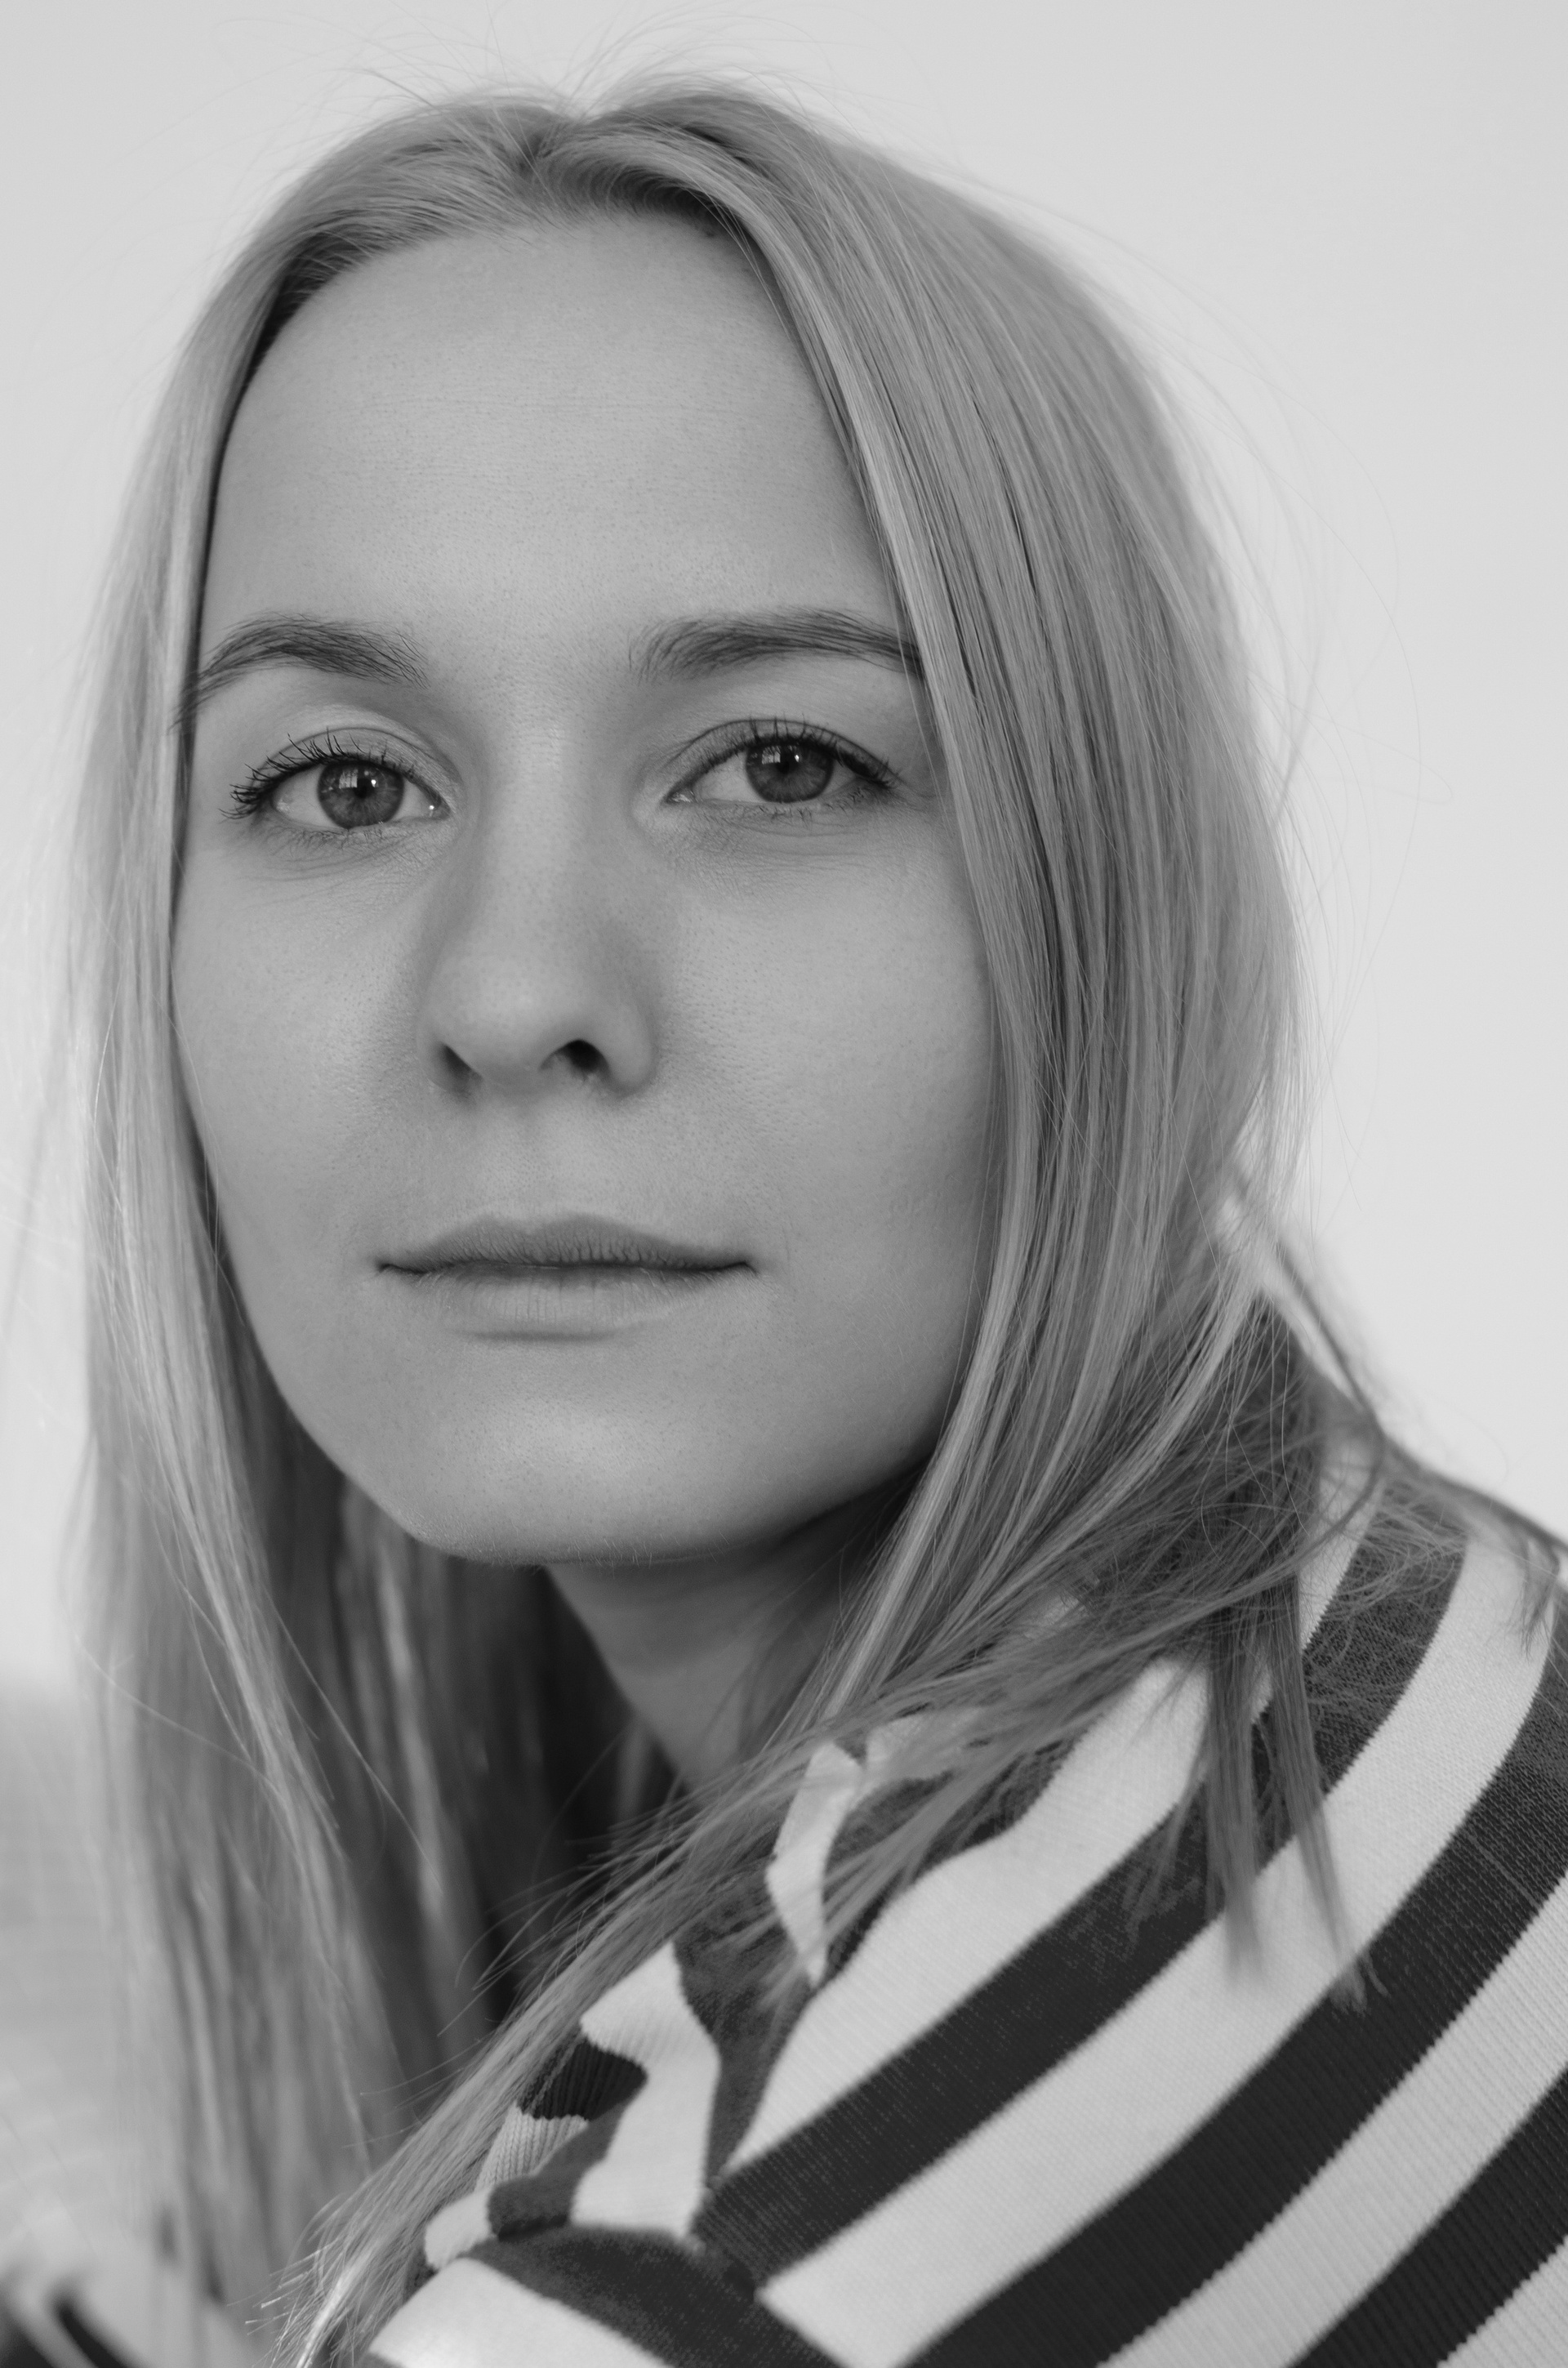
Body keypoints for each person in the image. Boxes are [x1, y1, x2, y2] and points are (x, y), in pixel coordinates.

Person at [33, 74, 1568, 2368]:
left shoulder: (709, 2271)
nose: (515, 992)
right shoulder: (1416, 1632)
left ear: (1107, 907)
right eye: (345, 782)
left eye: (781, 764)